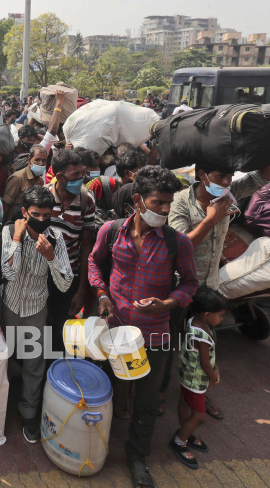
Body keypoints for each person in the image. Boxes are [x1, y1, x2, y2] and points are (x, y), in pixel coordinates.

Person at [88, 165, 199, 488]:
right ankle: (97, 442)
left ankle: (137, 456)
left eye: (168, 203)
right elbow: (95, 263)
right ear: (137, 200)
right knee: (105, 391)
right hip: (114, 329)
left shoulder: (178, 242)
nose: (164, 210)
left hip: (154, 335)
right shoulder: (111, 231)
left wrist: (168, 303)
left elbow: (190, 283)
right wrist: (102, 293)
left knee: (147, 402)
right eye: (157, 203)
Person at [163, 161, 270, 417]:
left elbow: (259, 176)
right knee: (171, 343)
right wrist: (210, 220)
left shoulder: (227, 193)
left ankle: (199, 393)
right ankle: (159, 392)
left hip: (209, 287)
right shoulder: (180, 201)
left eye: (228, 177)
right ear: (202, 175)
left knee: (205, 345)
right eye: (219, 176)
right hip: (182, 286)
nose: (225, 182)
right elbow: (181, 245)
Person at [1, 186, 72, 442]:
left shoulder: (56, 238)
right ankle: (0, 405)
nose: (41, 220)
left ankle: (29, 411)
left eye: (46, 214)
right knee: (3, 360)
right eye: (35, 214)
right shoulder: (9, 232)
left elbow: (65, 284)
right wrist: (18, 241)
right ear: (24, 212)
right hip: (9, 307)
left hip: (35, 309)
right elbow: (8, 275)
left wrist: (51, 257)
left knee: (34, 364)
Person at [44, 149, 96, 353]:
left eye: (82, 173)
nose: (81, 179)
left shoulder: (87, 200)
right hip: (43, 275)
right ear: (59, 177)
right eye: (75, 176)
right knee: (41, 325)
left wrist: (81, 290)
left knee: (60, 326)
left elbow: (86, 247)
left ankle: (54, 367)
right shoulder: (44, 197)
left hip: (69, 276)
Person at [168, 286, 225, 469]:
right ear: (207, 314)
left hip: (185, 374)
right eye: (220, 315)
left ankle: (184, 428)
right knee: (199, 416)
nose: (222, 318)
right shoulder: (202, 336)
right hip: (195, 380)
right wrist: (214, 376)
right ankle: (179, 440)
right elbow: (205, 363)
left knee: (184, 402)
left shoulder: (193, 320)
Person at [2, 145, 47, 222]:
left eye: (44, 160)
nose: (41, 163)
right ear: (30, 160)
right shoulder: (18, 178)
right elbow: (6, 205)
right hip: (14, 222)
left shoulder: (40, 181)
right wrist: (3, 226)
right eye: (37, 160)